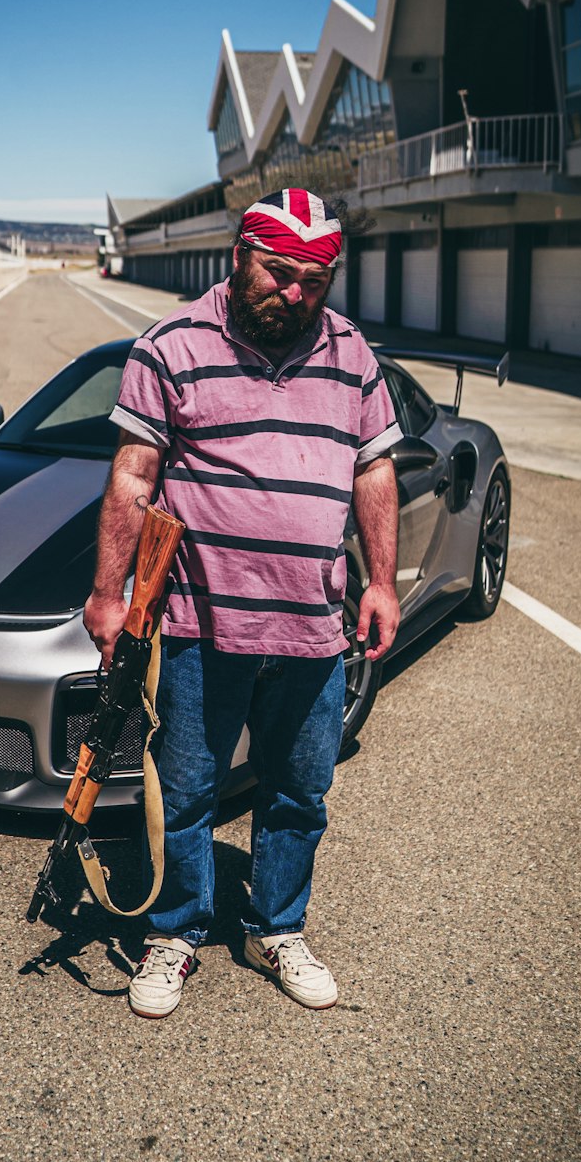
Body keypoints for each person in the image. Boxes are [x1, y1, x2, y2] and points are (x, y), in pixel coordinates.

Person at [83, 187, 403, 1019]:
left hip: (311, 629)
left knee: (300, 791)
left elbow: (374, 468)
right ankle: (176, 932)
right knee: (185, 791)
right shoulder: (170, 347)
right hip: (199, 626)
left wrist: (379, 580)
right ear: (238, 253)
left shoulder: (351, 354)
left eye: (313, 280)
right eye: (277, 270)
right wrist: (107, 593)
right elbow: (132, 475)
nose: (293, 293)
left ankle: (279, 926)